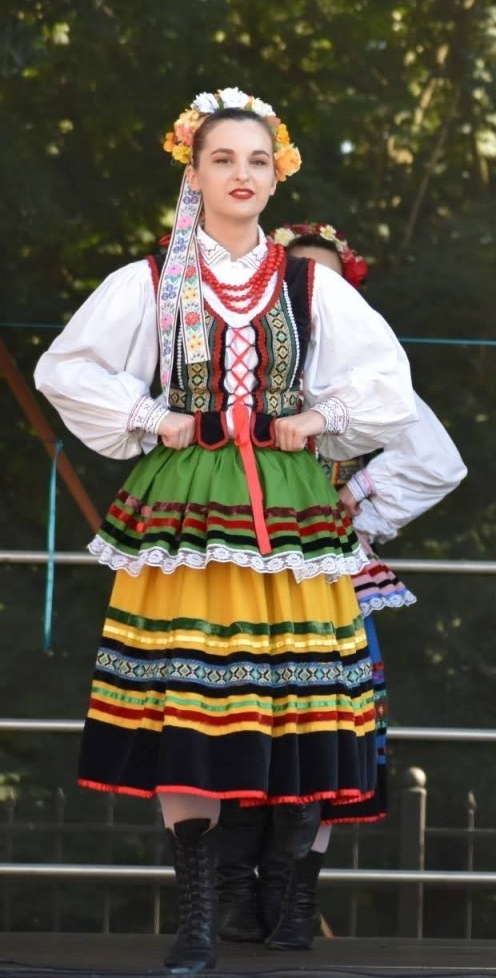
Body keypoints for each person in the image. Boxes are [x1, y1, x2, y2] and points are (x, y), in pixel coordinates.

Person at [34, 89, 416, 974]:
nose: (241, 174)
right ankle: (199, 915)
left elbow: (387, 383)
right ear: (194, 173)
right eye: (222, 159)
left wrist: (316, 418)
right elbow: (67, 369)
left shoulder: (308, 286)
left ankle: (279, 894)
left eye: (256, 160)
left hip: (290, 510)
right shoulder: (151, 280)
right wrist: (154, 417)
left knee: (289, 702)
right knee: (189, 705)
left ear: (276, 177)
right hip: (189, 508)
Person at [207, 223, 467, 952]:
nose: (307, 292)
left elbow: (436, 460)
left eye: (323, 281)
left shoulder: (362, 380)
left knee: (320, 729)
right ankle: (236, 891)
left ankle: (292, 896)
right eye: (294, 277)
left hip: (325, 574)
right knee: (236, 715)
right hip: (238, 568)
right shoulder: (231, 358)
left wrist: (358, 502)